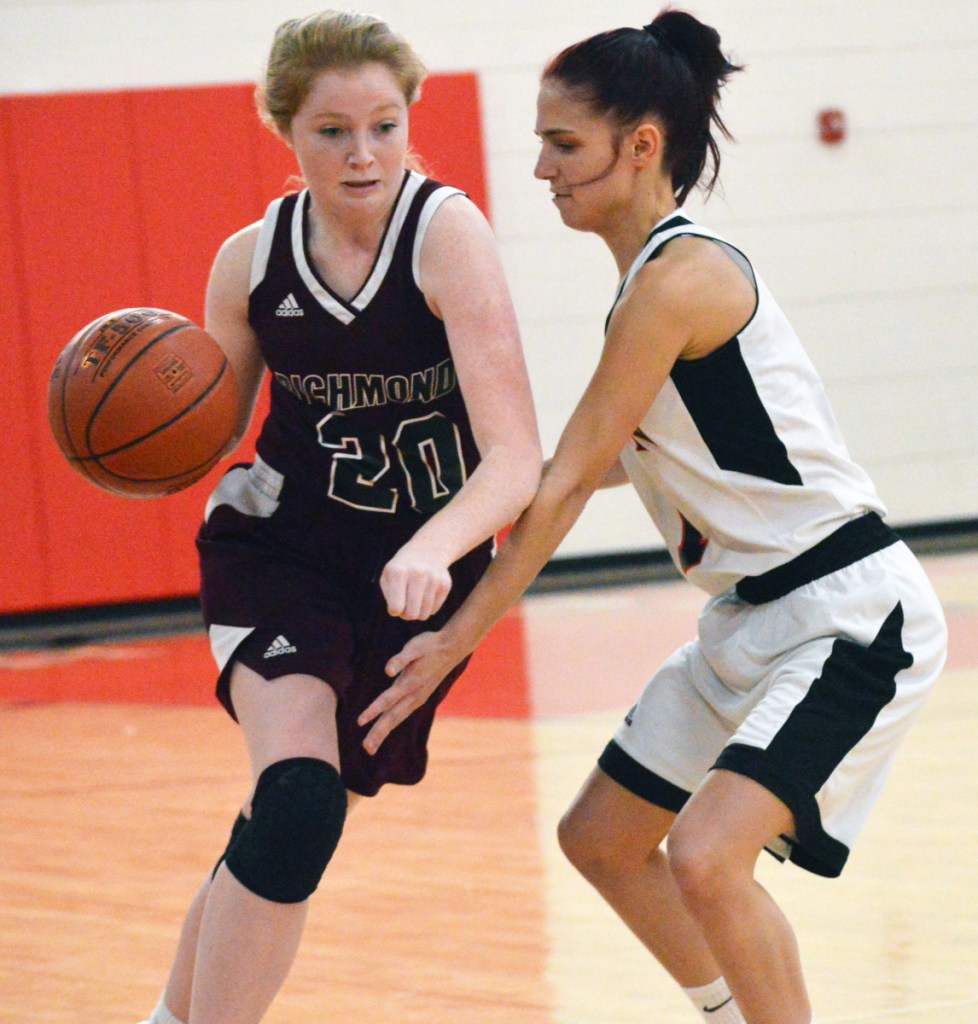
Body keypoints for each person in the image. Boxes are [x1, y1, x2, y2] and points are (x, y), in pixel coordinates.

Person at [359, 11, 948, 1024]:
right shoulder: (646, 289)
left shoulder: (679, 282)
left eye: (564, 143)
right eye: (541, 141)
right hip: (745, 621)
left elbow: (569, 482)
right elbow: (596, 464)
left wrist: (459, 636)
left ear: (642, 146)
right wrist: (439, 519)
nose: (542, 167)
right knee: (600, 837)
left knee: (709, 857)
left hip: (845, 614)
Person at [138, 10, 541, 1024]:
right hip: (279, 550)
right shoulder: (249, 263)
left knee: (291, 823)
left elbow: (514, 458)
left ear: (410, 121)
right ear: (285, 129)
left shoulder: (446, 237)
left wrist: (438, 544)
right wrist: (131, 430)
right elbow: (200, 431)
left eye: (384, 124)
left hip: (408, 572)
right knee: (299, 800)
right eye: (331, 130)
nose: (363, 152)